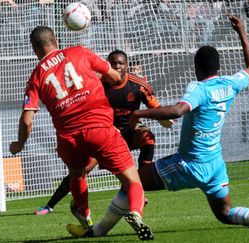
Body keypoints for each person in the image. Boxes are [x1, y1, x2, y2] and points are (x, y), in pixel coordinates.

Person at [67, 14, 249, 239]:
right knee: (225, 214)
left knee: (134, 182)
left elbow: (178, 110)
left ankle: (96, 231)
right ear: (217, 66)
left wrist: (139, 112)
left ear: (197, 68)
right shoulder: (230, 84)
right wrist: (242, 31)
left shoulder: (199, 88)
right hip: (215, 165)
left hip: (188, 164)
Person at [9, 26, 153, 240]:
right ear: (55, 40)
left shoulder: (36, 77)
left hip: (68, 138)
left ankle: (86, 221)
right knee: (133, 181)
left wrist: (20, 144)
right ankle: (134, 212)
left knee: (77, 173)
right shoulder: (79, 52)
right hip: (99, 128)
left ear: (34, 49)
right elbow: (114, 77)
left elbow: (27, 120)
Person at [35, 50, 172, 216]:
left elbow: (155, 108)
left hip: (129, 131)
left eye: (121, 63)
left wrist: (165, 118)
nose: (117, 67)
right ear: (108, 64)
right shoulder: (96, 83)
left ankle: (142, 183)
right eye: (114, 63)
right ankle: (50, 205)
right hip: (104, 134)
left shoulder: (139, 85)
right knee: (80, 170)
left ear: (127, 65)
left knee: (148, 137)